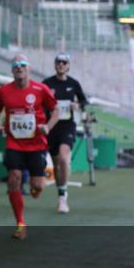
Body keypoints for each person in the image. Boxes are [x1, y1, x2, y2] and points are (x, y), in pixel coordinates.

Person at [0, 54, 60, 240]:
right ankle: (21, 223)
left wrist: (48, 126)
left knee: (37, 187)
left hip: (37, 144)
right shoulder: (4, 91)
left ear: (28, 68)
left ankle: (35, 188)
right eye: (15, 65)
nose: (19, 67)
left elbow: (56, 110)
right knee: (14, 178)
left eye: (22, 64)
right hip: (14, 142)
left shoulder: (41, 89)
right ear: (12, 70)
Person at [41, 53, 88, 214]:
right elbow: (39, 102)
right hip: (51, 127)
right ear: (55, 65)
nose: (61, 65)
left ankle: (63, 198)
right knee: (56, 164)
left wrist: (77, 104)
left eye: (64, 62)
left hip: (67, 125)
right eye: (58, 62)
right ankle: (61, 192)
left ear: (68, 66)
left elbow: (84, 101)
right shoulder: (47, 83)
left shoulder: (74, 84)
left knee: (63, 157)